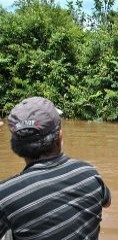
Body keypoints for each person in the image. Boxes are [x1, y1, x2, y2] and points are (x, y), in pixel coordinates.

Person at [0, 97, 111, 240]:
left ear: (15, 146)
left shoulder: (5, 195)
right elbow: (107, 202)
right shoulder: (89, 173)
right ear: (59, 137)